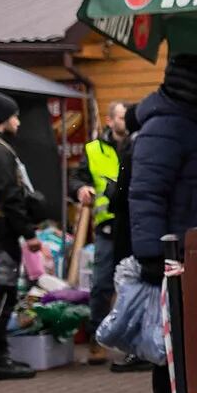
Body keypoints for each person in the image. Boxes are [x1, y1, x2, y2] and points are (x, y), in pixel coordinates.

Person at [127, 54, 197, 393]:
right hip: (174, 252)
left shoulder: (187, 121)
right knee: (173, 339)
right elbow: (146, 192)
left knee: (188, 335)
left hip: (192, 247)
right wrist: (152, 254)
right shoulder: (164, 126)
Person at [0, 91, 45, 381]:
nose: (18, 121)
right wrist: (28, 232)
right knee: (0, 295)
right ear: (2, 119)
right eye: (14, 115)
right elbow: (9, 196)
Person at [70, 100, 128, 358]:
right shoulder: (94, 149)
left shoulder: (137, 143)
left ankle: (131, 342)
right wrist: (80, 188)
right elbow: (77, 177)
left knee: (132, 283)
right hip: (107, 224)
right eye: (121, 118)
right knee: (102, 282)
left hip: (133, 222)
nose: (125, 123)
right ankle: (97, 338)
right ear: (109, 121)